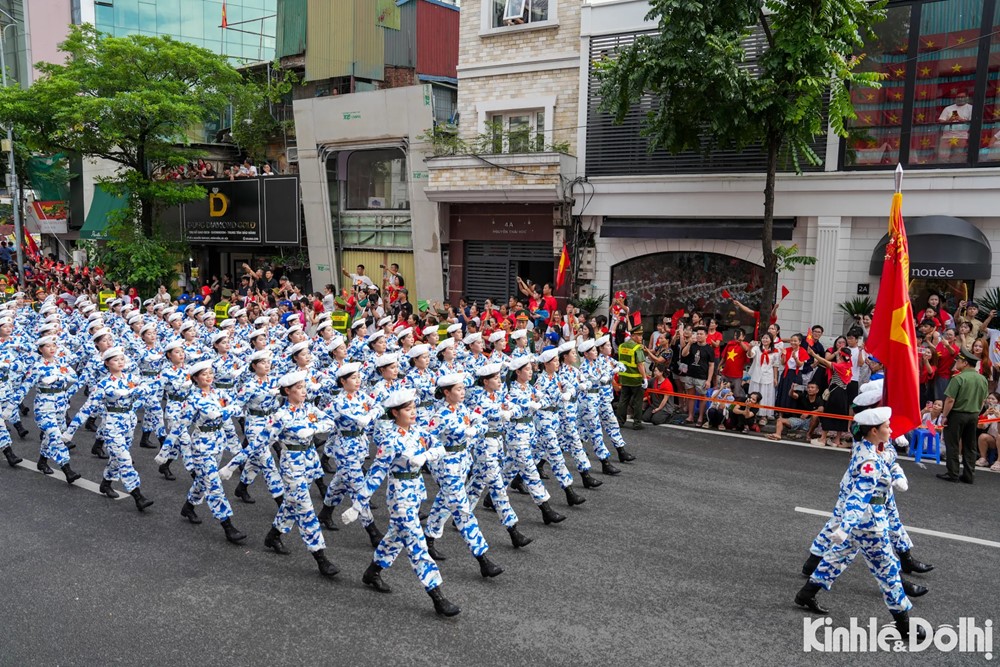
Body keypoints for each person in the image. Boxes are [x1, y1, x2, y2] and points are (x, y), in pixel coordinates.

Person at [795, 406, 923, 642]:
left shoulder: (867, 447)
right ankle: (904, 625)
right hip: (870, 524)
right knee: (888, 572)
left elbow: (887, 462)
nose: (891, 429)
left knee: (837, 557)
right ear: (874, 430)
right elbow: (859, 496)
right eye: (887, 426)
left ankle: (806, 594)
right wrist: (845, 526)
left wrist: (897, 474)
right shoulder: (870, 461)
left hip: (860, 523)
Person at [342, 388, 461, 617]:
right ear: (395, 413)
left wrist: (425, 456)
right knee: (417, 545)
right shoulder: (390, 440)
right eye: (408, 410)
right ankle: (437, 596)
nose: (413, 413)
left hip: (415, 491)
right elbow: (376, 473)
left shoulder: (419, 432)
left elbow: (440, 448)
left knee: (395, 536)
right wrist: (359, 505)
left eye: (414, 408)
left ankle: (372, 571)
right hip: (399, 496)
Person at [938, 348, 989, 484]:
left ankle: (953, 473)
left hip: (957, 414)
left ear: (965, 363)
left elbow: (950, 400)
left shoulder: (958, 378)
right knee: (970, 445)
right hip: (973, 414)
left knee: (953, 444)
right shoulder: (982, 379)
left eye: (959, 361)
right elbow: (984, 399)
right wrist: (976, 412)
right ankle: (969, 475)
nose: (957, 363)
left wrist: (944, 416)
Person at [679, 325, 715, 426]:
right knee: (691, 396)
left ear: (706, 336)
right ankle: (690, 416)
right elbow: (684, 354)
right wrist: (689, 343)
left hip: (702, 376)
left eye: (701, 334)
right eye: (697, 334)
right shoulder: (693, 345)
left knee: (702, 397)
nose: (699, 336)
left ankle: (700, 417)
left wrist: (709, 380)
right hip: (690, 374)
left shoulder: (709, 349)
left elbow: (711, 365)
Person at [615, 326, 648, 430]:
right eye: (639, 335)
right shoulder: (637, 348)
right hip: (636, 379)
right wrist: (645, 378)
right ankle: (637, 423)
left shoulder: (621, 346)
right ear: (633, 336)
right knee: (637, 401)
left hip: (624, 378)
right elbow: (640, 364)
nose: (641, 337)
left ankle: (620, 421)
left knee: (623, 400)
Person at [938, 90, 972, 162]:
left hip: (961, 135)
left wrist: (960, 119)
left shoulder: (971, 108)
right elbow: (941, 120)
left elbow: (973, 122)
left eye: (962, 97)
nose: (960, 99)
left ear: (967, 97)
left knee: (958, 155)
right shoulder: (948, 108)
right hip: (947, 135)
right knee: (943, 156)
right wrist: (950, 120)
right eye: (958, 97)